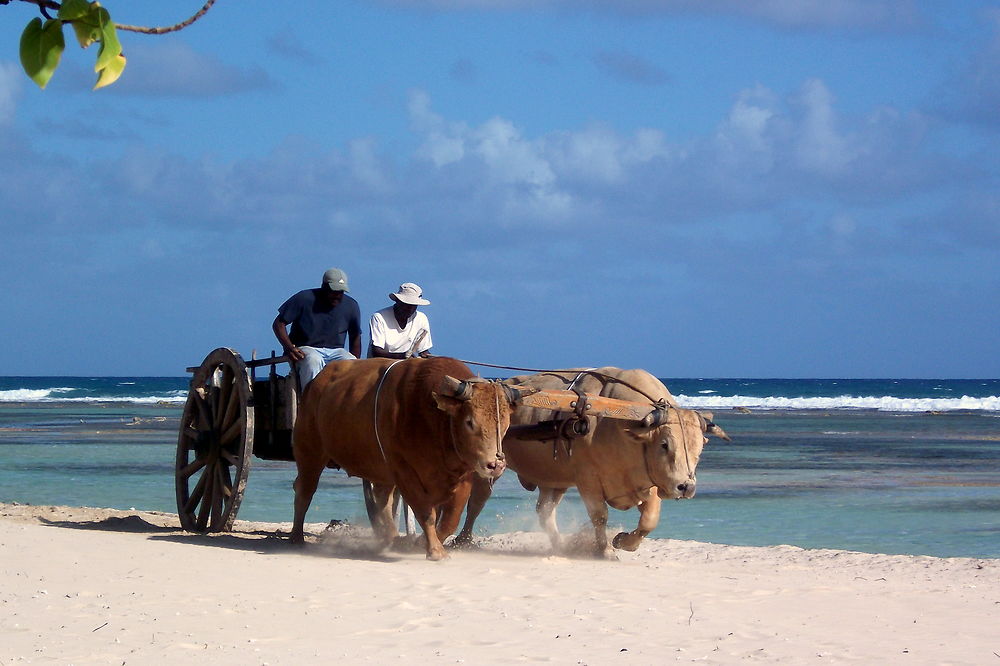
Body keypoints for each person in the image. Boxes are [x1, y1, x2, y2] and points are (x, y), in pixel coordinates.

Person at [272, 267, 362, 389]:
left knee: (351, 362)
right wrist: (289, 348)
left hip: (336, 351)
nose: (337, 295)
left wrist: (356, 359)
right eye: (333, 291)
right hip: (306, 348)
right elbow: (279, 324)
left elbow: (355, 335)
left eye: (340, 292)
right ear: (324, 287)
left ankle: (344, 401)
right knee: (314, 360)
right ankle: (311, 401)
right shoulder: (304, 298)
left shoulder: (351, 305)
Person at [368, 282, 433, 359]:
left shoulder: (421, 318)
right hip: (381, 365)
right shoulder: (379, 317)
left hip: (407, 365)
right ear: (397, 301)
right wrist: (402, 356)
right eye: (407, 305)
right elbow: (376, 351)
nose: (410, 309)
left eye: (414, 306)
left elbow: (423, 351)